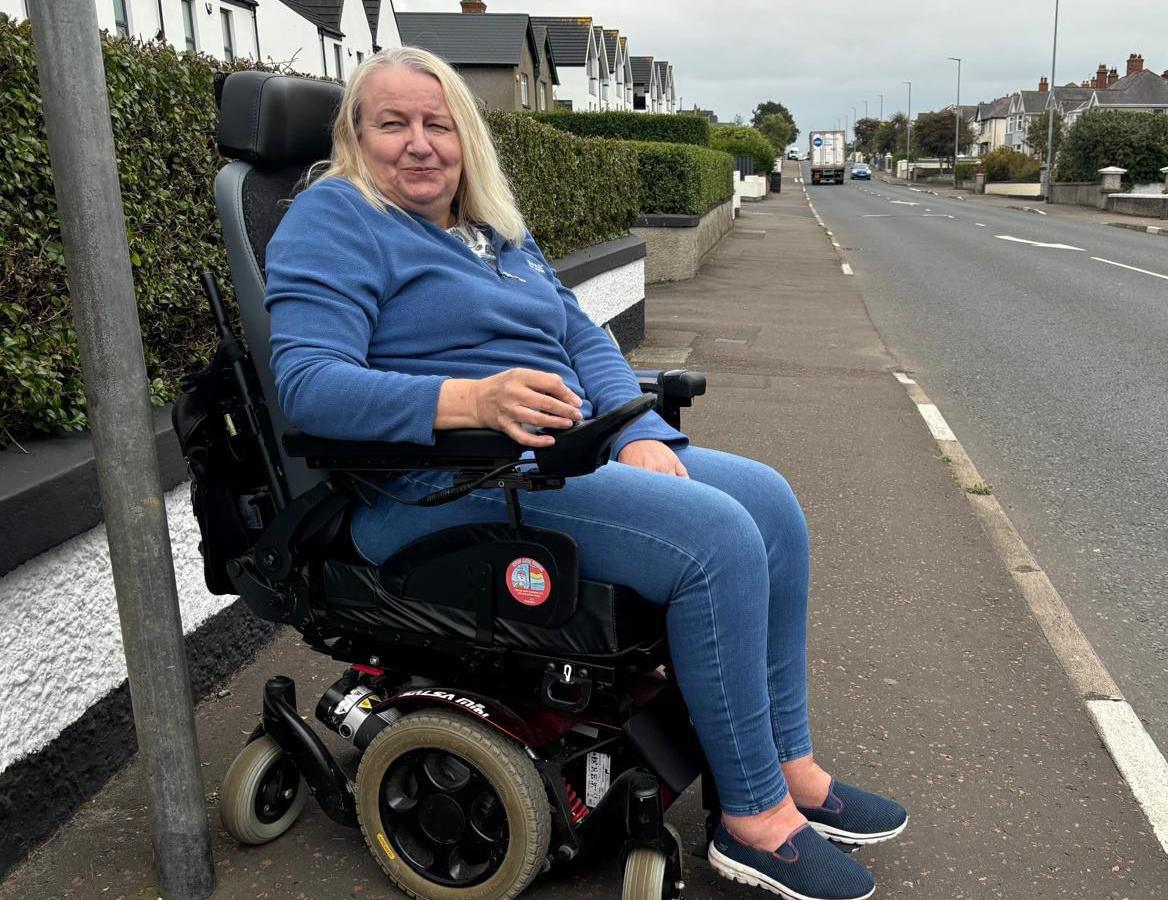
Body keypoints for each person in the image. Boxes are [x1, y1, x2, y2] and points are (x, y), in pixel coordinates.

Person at [263, 48, 905, 900]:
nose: (419, 144)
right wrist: (472, 399)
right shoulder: (336, 218)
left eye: (437, 123)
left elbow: (582, 338)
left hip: (551, 456)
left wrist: (638, 431)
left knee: (771, 505)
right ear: (354, 135)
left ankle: (790, 768)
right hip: (435, 489)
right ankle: (754, 821)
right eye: (393, 124)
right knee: (715, 539)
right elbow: (309, 387)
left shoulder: (492, 230)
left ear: (465, 138)